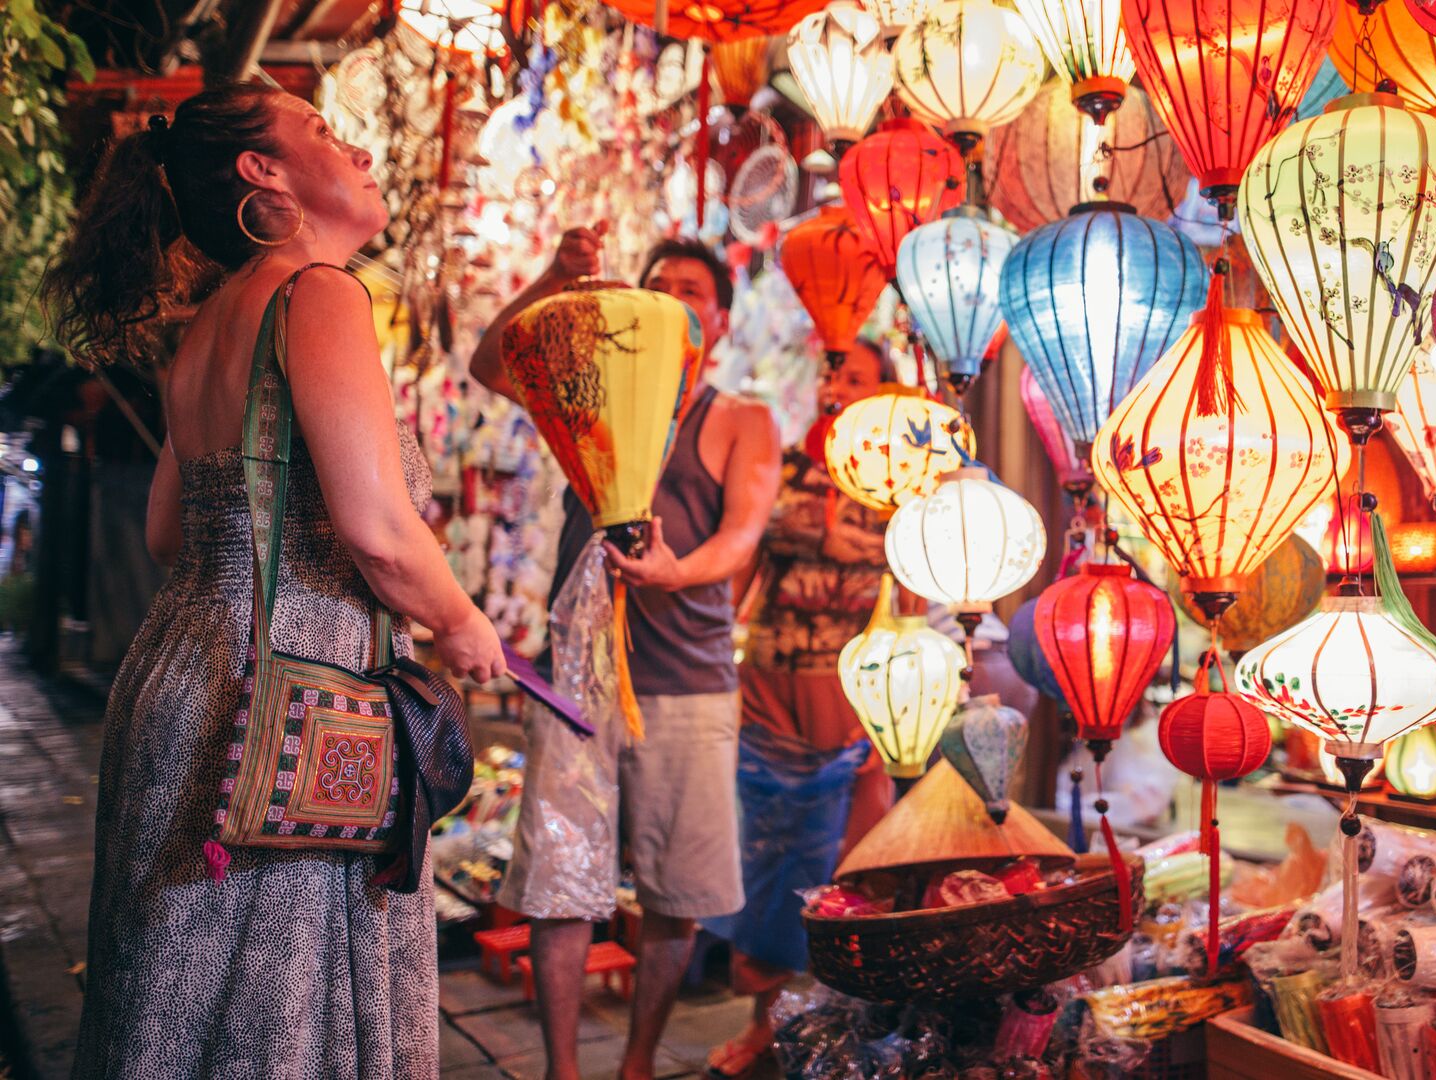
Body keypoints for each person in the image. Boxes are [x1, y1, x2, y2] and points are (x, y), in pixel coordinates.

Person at [43, 84, 509, 1078]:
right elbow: (380, 530)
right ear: (265, 172)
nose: (363, 153)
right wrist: (463, 619)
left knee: (171, 995)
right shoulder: (318, 293)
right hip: (298, 693)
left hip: (185, 672)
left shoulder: (215, 317)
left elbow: (172, 529)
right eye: (326, 133)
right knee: (277, 1013)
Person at [471, 230, 781, 1080]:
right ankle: (564, 1069)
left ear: (712, 320)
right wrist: (554, 278)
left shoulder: (742, 419)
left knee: (677, 894)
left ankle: (637, 1061)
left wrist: (677, 572)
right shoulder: (586, 399)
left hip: (688, 684)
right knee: (560, 884)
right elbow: (492, 366)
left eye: (693, 288)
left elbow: (741, 535)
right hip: (576, 680)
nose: (675, 295)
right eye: (658, 284)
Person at [705, 340, 898, 1076]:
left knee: (854, 879)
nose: (837, 385)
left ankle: (842, 1032)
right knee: (772, 880)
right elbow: (740, 571)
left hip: (862, 706)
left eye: (856, 376)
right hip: (773, 696)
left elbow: (916, 594)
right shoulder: (780, 465)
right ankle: (765, 1026)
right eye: (831, 373)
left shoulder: (898, 481)